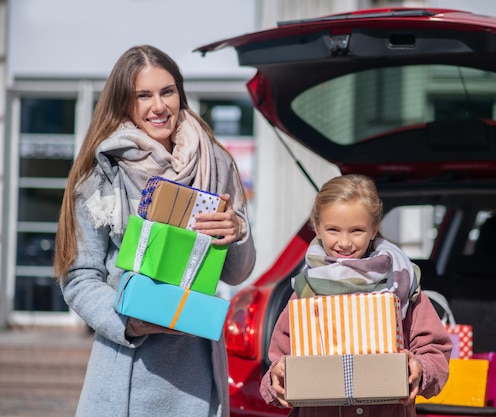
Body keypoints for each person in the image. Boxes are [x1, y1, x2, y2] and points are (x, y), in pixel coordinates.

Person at [53, 45, 256, 417]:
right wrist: (128, 323)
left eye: (167, 91)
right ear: (124, 104)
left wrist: (237, 230)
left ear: (180, 93)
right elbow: (79, 276)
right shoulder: (102, 173)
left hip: (197, 370)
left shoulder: (216, 161)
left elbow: (237, 272)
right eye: (143, 95)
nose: (158, 106)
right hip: (127, 372)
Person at [260, 174, 451, 417]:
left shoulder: (401, 283)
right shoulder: (306, 290)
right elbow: (277, 365)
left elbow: (436, 353)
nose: (344, 242)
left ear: (374, 230)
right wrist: (278, 377)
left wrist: (420, 369)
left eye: (356, 230)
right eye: (333, 230)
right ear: (317, 228)